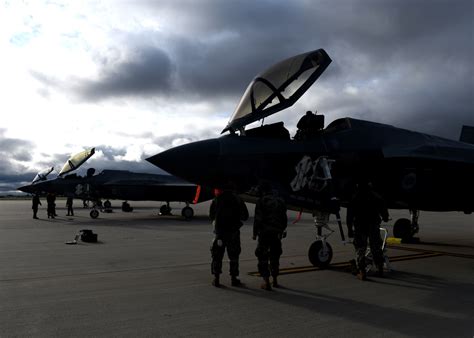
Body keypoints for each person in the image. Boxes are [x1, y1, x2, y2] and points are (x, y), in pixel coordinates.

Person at [346, 181, 389, 280]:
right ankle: (380, 269)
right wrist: (385, 217)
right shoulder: (376, 196)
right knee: (376, 247)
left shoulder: (355, 198)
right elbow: (384, 212)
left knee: (360, 248)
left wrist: (349, 229)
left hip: (360, 226)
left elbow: (349, 217)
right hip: (373, 225)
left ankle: (362, 271)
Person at [209, 183, 249, 287]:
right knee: (234, 257)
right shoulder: (238, 200)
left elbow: (211, 215)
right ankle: (234, 279)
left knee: (217, 256)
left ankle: (216, 279)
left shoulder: (216, 200)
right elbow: (245, 216)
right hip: (233, 233)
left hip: (220, 233)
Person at [253, 181, 288, 290]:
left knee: (262, 256)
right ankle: (275, 280)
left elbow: (258, 219)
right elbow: (284, 219)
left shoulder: (261, 201)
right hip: (276, 233)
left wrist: (255, 233)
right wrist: (281, 230)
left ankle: (266, 281)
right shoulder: (280, 201)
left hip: (264, 233)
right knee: (275, 256)